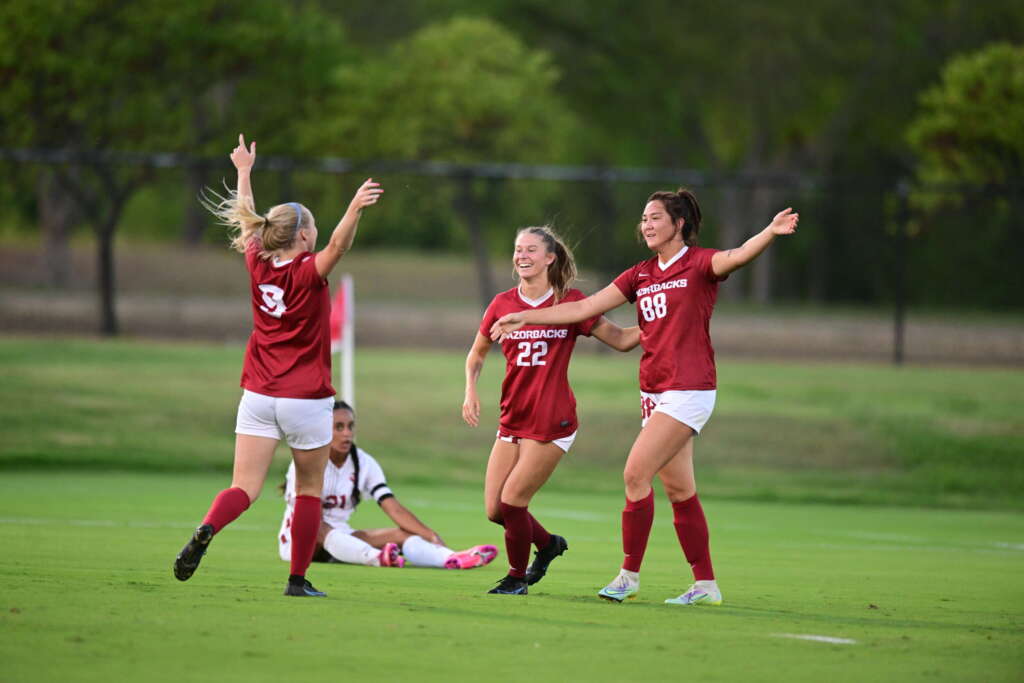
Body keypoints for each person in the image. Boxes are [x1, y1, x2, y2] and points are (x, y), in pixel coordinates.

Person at [490, 190, 798, 606]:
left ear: (679, 224)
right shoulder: (641, 273)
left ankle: (628, 576)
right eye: (644, 218)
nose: (647, 225)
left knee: (635, 474)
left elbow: (738, 255)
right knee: (680, 491)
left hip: (689, 388)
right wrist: (527, 315)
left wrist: (770, 232)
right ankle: (705, 585)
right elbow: (585, 308)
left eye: (655, 217)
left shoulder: (698, 263)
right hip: (653, 391)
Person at [173, 134, 383, 597]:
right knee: (308, 490)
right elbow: (340, 246)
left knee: (243, 487)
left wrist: (244, 171)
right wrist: (354, 207)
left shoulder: (258, 262)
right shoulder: (307, 270)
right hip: (304, 398)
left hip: (258, 394)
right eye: (313, 226)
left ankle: (208, 527)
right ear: (304, 234)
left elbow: (247, 219)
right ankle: (297, 580)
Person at [464, 226, 641, 595]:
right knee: (495, 510)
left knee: (513, 502)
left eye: (531, 249)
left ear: (550, 258)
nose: (522, 256)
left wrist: (663, 322)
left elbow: (622, 340)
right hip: (513, 417)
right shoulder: (501, 303)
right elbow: (477, 353)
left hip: (552, 419)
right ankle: (547, 545)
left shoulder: (572, 303)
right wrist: (471, 390)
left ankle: (516, 578)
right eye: (518, 249)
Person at [278, 401, 498, 570]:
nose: (347, 433)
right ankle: (377, 558)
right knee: (317, 525)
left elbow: (392, 507)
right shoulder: (307, 462)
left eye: (350, 426)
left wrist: (431, 536)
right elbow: (310, 521)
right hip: (301, 544)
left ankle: (451, 558)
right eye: (339, 427)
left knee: (402, 535)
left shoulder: (363, 462)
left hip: (343, 540)